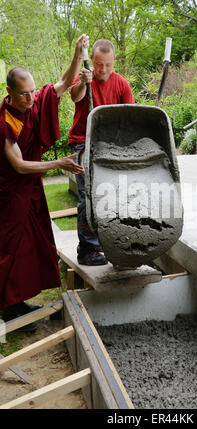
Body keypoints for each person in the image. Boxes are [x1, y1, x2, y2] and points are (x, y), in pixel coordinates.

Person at [0, 34, 89, 331]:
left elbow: (62, 85)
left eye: (33, 91)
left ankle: (18, 303)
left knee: (30, 247)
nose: (32, 98)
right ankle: (8, 309)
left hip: (29, 192)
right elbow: (20, 165)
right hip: (10, 195)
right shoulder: (5, 122)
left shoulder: (34, 103)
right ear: (10, 92)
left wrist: (77, 54)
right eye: (25, 94)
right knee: (9, 250)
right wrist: (59, 164)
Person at [68, 39, 135, 266]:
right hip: (83, 143)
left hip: (109, 146)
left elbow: (129, 119)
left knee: (113, 196)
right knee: (88, 197)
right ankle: (87, 248)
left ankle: (111, 243)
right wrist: (83, 83)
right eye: (98, 64)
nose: (102, 70)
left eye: (107, 64)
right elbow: (75, 96)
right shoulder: (85, 78)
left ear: (114, 61)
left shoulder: (122, 85)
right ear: (92, 61)